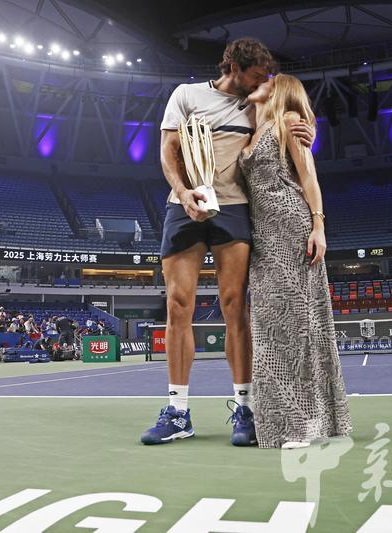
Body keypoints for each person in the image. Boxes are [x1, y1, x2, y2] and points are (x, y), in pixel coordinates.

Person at [140, 37, 314, 446]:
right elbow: (167, 150)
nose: (262, 81)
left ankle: (246, 408)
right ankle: (179, 412)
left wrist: (309, 129)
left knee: (235, 305)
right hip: (183, 205)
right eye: (256, 74)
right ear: (233, 66)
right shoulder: (186, 95)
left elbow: (287, 138)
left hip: (235, 207)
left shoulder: (257, 105)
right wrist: (184, 194)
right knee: (177, 304)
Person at [238, 73, 352, 448]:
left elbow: (308, 175)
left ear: (280, 89)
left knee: (297, 324)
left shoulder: (288, 121)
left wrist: (318, 224)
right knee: (268, 331)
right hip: (261, 238)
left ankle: (303, 425)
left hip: (291, 226)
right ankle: (275, 425)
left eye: (267, 81)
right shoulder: (253, 130)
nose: (258, 82)